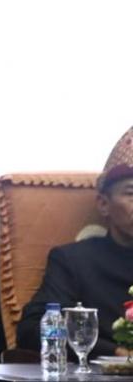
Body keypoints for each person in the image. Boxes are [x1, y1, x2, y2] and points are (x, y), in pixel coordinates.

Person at [16, 125, 133, 357]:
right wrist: (117, 352)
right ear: (103, 204)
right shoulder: (75, 261)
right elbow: (33, 329)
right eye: (131, 193)